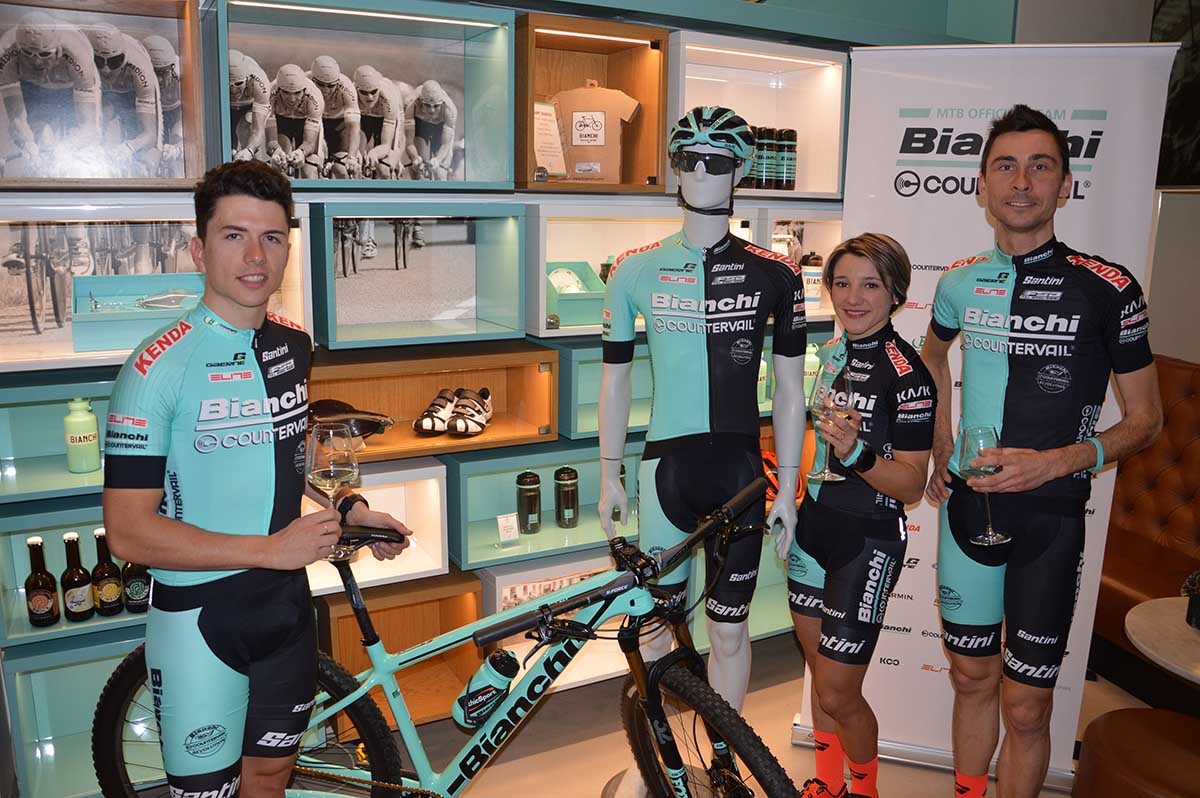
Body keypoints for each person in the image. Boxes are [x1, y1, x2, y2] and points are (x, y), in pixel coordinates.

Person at [102, 160, 412, 798]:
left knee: (271, 775)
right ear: (199, 249)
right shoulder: (156, 367)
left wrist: (346, 509)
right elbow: (128, 533)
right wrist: (270, 549)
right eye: (233, 235)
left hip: (285, 611)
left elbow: (282, 460)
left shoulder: (293, 344)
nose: (255, 256)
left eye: (271, 237)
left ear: (287, 249)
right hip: (199, 620)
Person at [920, 104, 1162, 798]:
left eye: (1040, 166)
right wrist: (942, 443)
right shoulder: (958, 281)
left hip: (1051, 519)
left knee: (1027, 706)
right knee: (970, 677)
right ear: (982, 185)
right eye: (1006, 166)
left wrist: (1055, 462)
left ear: (1066, 185)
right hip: (967, 512)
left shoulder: (1108, 288)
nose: (1021, 182)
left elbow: (1146, 421)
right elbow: (932, 358)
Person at [599, 106, 807, 797]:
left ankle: (722, 765)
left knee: (728, 632)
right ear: (675, 169)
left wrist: (791, 488)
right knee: (653, 629)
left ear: (741, 170)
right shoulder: (634, 269)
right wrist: (607, 474)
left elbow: (788, 389)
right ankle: (655, 763)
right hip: (664, 472)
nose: (701, 174)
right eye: (688, 160)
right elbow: (615, 379)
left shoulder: (776, 273)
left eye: (717, 162)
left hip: (741, 477)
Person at [788, 234, 935, 798]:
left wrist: (856, 455)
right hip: (814, 529)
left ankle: (864, 791)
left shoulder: (908, 374)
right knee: (818, 676)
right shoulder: (831, 353)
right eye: (842, 283)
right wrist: (794, 501)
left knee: (838, 691)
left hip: (868, 540)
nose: (853, 297)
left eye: (870, 284)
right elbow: (817, 439)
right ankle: (828, 786)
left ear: (895, 293)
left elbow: (912, 482)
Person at [0, 9, 101, 176]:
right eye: (28, 54)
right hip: (32, 84)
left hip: (72, 82)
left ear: (58, 50)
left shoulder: (78, 55)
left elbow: (89, 127)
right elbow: (16, 117)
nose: (37, 62)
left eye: (45, 54)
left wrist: (66, 148)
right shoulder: (5, 51)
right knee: (39, 138)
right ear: (17, 48)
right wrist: (28, 142)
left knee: (84, 144)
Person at [86, 23, 162, 177]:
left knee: (149, 152)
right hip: (105, 91)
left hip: (131, 92)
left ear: (124, 57)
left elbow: (150, 134)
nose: (106, 69)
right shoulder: (82, 54)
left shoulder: (141, 67)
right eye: (98, 61)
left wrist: (130, 147)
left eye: (114, 61)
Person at [266, 63, 323, 179]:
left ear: (304, 90)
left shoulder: (315, 97)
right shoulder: (269, 93)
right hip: (282, 121)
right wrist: (276, 151)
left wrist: (301, 152)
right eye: (286, 92)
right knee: (280, 163)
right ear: (279, 89)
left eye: (297, 93)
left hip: (305, 122)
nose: (292, 99)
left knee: (309, 169)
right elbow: (271, 142)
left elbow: (309, 143)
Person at [307, 55, 360, 179]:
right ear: (313, 79)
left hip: (338, 123)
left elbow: (354, 127)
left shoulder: (347, 88)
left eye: (331, 86)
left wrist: (352, 157)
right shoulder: (304, 82)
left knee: (342, 169)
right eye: (321, 85)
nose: (326, 90)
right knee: (312, 167)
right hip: (314, 122)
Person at [142, 34, 183, 177]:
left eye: (162, 73)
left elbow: (193, 116)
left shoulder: (184, 74)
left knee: (176, 140)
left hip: (178, 111)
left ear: (172, 69)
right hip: (152, 109)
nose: (158, 80)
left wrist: (178, 147)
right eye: (152, 72)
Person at [406, 79, 457, 180]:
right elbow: (409, 142)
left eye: (436, 106)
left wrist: (438, 159)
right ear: (420, 101)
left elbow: (445, 145)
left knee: (440, 173)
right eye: (427, 105)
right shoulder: (410, 105)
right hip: (421, 124)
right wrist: (415, 157)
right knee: (419, 169)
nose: (432, 110)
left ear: (442, 103)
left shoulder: (450, 111)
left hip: (440, 127)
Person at [227, 49, 269, 161]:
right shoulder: (214, 81)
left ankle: (257, 165)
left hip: (250, 105)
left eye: (238, 83)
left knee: (246, 129)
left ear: (248, 79)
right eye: (228, 84)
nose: (233, 90)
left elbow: (258, 130)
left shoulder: (260, 84)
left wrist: (249, 150)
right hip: (228, 106)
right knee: (228, 144)